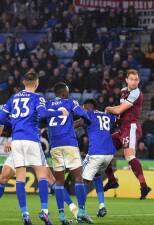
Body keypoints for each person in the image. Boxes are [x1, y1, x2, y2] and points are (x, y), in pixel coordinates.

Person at [0, 71, 68, 225]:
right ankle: (44, 211)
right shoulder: (38, 97)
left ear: (24, 82)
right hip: (31, 140)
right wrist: (59, 111)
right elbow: (43, 114)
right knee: (42, 174)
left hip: (16, 141)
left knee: (20, 178)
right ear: (36, 83)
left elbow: (2, 118)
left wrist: (17, 122)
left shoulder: (13, 98)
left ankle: (25, 214)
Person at [45, 82, 92, 224]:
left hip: (54, 145)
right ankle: (82, 212)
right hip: (69, 144)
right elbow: (84, 115)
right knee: (78, 178)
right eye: (68, 90)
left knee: (58, 182)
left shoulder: (47, 105)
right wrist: (85, 114)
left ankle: (61, 217)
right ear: (64, 92)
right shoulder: (70, 102)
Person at [104, 69, 151, 199]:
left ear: (139, 81)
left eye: (136, 80)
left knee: (129, 156)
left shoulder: (136, 93)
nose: (134, 82)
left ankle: (144, 186)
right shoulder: (124, 91)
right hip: (122, 128)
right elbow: (120, 112)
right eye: (131, 79)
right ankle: (112, 180)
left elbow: (119, 109)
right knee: (103, 150)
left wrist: (108, 109)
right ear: (127, 80)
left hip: (131, 127)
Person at [81, 99, 117, 218]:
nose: (83, 109)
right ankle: (102, 206)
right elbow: (117, 119)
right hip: (109, 154)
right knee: (96, 176)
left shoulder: (89, 113)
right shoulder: (107, 115)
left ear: (89, 107)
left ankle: (81, 212)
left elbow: (79, 122)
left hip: (96, 152)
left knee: (83, 181)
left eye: (84, 107)